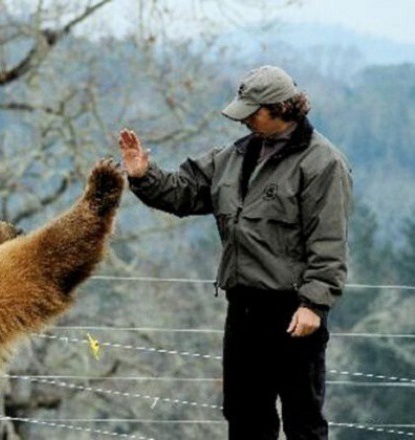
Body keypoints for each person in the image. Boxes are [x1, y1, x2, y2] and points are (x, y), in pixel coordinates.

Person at [118, 65, 352, 440]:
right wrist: (144, 175)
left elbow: (329, 243)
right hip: (243, 310)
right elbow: (185, 192)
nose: (243, 120)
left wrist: (314, 304)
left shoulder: (323, 164)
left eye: (252, 112)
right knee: (244, 417)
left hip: (294, 311)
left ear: (281, 109)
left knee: (302, 422)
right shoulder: (233, 157)